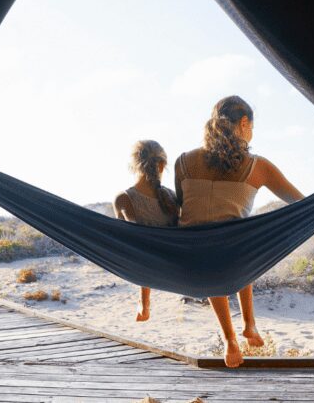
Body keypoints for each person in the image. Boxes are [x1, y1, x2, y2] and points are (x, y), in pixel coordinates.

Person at [175, 96, 304, 367]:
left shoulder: (183, 162)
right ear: (244, 123)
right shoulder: (259, 167)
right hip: (234, 257)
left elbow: (182, 210)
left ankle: (231, 338)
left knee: (214, 238)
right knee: (241, 237)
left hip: (191, 260)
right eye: (252, 127)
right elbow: (301, 203)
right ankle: (249, 323)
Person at [113, 140, 179, 322]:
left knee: (139, 246)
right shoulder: (172, 197)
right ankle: (144, 303)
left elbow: (135, 238)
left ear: (133, 165)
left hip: (145, 265)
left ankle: (144, 302)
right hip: (174, 263)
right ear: (162, 165)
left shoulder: (124, 199)